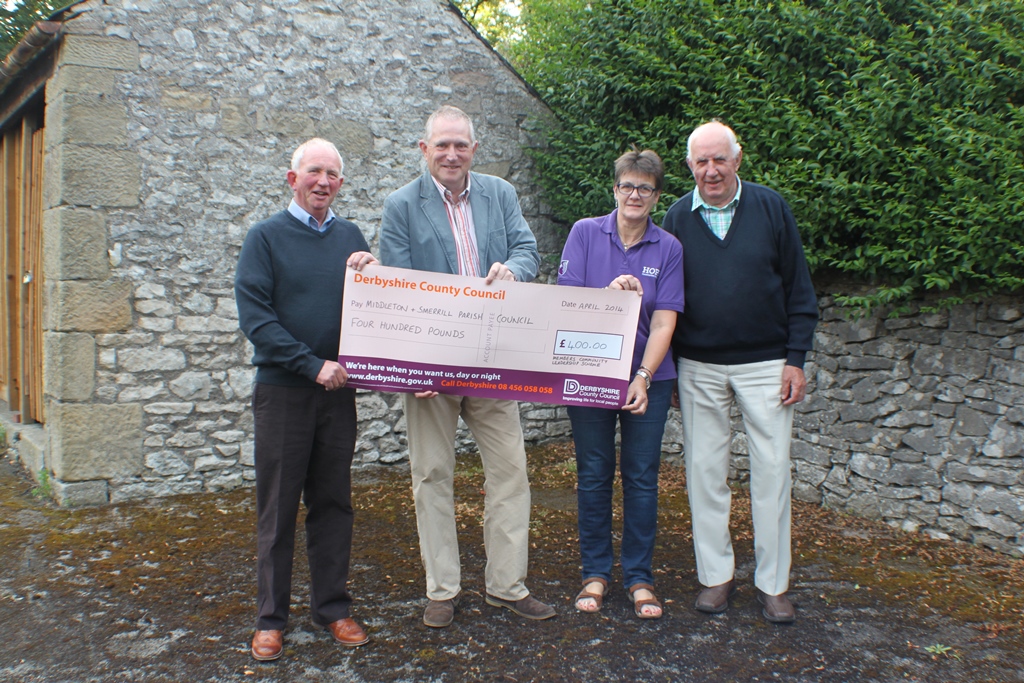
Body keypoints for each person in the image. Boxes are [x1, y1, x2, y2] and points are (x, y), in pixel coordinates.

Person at [379, 105, 555, 627]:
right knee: (432, 474)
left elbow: (527, 248)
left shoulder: (499, 194)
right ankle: (443, 588)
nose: (451, 154)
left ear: (474, 150)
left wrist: (514, 268)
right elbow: (396, 283)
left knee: (510, 474)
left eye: (461, 145)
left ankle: (507, 585)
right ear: (424, 150)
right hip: (432, 368)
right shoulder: (401, 205)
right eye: (442, 145)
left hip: (493, 360)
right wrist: (417, 367)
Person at [661, 121, 818, 624]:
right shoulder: (676, 218)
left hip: (766, 365)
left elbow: (799, 288)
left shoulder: (771, 207)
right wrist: (668, 368)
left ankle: (773, 585)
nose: (710, 170)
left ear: (738, 159)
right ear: (690, 166)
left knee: (771, 474)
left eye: (719, 159)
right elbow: (666, 301)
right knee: (705, 474)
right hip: (699, 366)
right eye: (701, 162)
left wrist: (796, 357)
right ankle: (716, 577)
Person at [235, 138, 377, 661]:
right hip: (286, 392)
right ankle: (270, 619)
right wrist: (311, 365)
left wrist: (373, 274)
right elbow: (257, 320)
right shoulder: (265, 238)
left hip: (338, 394)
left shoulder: (351, 237)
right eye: (314, 171)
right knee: (277, 507)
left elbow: (370, 310)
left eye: (333, 174)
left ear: (340, 183)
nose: (324, 181)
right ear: (291, 178)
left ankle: (333, 609)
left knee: (334, 502)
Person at [556, 148, 683, 619]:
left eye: (645, 188)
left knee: (641, 478)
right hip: (588, 373)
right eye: (627, 185)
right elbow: (564, 305)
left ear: (655, 196)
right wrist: (605, 299)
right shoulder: (585, 233)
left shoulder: (668, 247)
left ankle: (639, 577)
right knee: (592, 474)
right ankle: (595, 573)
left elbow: (666, 323)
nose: (635, 194)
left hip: (648, 378)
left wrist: (643, 378)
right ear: (614, 189)